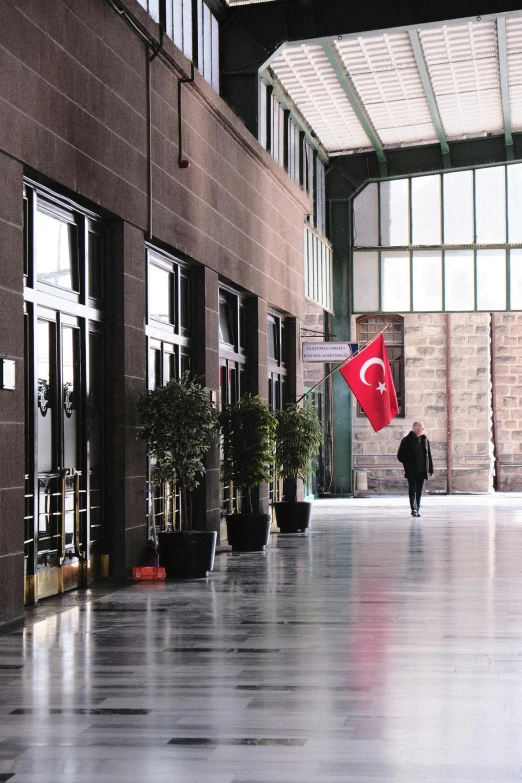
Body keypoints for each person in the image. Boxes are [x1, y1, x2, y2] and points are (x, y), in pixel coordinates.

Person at [397, 421, 433, 517]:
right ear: (416, 429)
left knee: (419, 491)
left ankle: (417, 508)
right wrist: (408, 463)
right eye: (422, 428)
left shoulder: (425, 440)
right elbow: (400, 456)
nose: (423, 430)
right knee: (412, 490)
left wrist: (430, 468)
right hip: (411, 470)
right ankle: (413, 509)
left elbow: (428, 455)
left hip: (421, 470)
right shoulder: (406, 441)